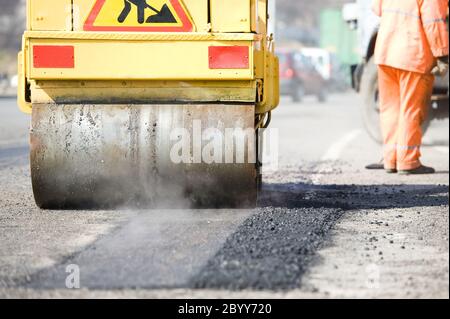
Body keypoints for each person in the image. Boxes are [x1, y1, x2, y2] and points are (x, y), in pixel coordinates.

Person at [371, 0, 449, 174]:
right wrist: (442, 54)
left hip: (385, 52)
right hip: (412, 56)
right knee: (411, 110)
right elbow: (433, 21)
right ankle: (408, 161)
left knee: (390, 109)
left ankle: (391, 160)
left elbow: (376, 8)